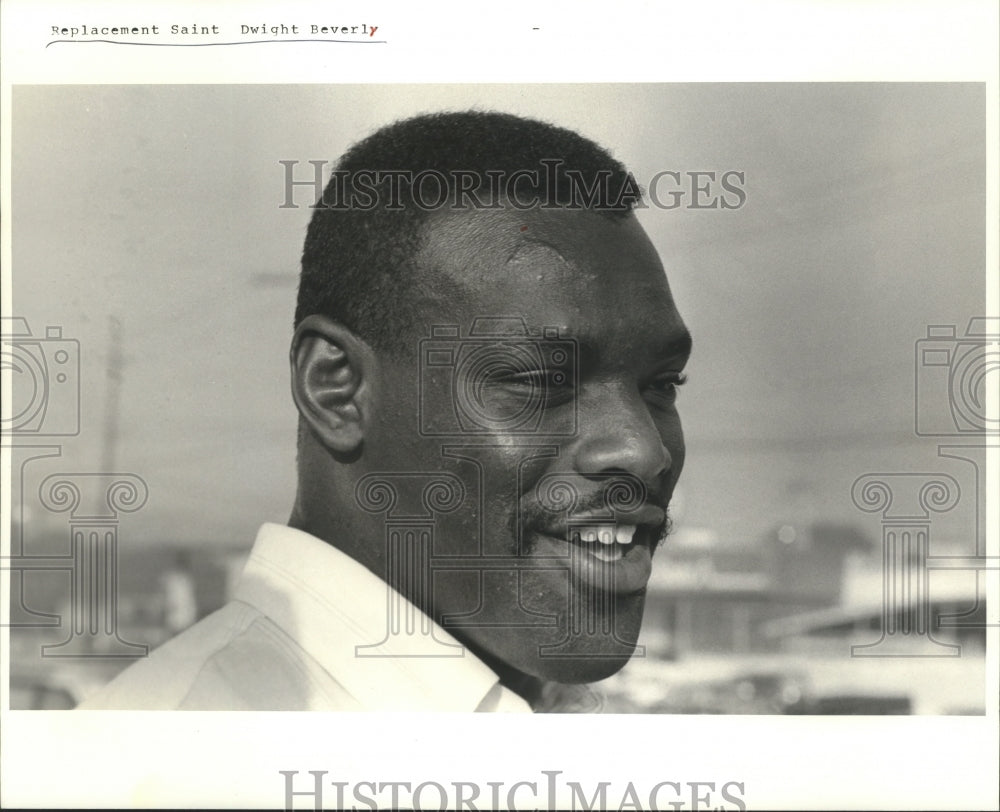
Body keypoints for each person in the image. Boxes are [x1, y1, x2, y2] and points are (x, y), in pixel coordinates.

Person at [80, 110, 691, 712]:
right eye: (538, 382)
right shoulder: (166, 759)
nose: (643, 450)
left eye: (662, 385)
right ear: (336, 389)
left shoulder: (562, 721)